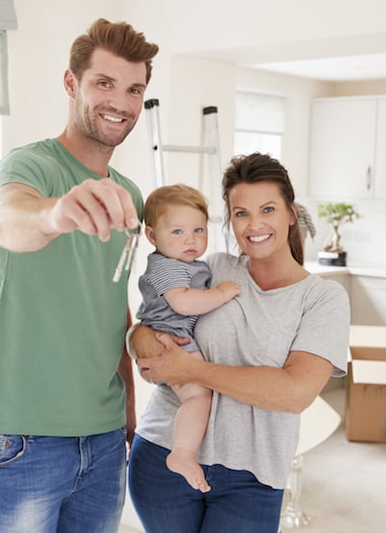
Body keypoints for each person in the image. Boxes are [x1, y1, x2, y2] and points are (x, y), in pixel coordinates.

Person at [0, 18, 158, 533]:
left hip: (103, 436)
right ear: (72, 84)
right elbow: (7, 218)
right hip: (19, 438)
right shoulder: (27, 168)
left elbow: (110, 302)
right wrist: (57, 214)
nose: (120, 101)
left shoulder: (129, 195)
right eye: (104, 83)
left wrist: (128, 408)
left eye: (134, 88)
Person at [127, 153, 350, 533]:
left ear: (291, 213)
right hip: (165, 455)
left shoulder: (321, 299)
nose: (255, 224)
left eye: (268, 209)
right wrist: (142, 340)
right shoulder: (210, 268)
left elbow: (293, 394)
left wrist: (190, 369)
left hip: (253, 475)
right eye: (241, 212)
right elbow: (146, 326)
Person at [133, 183, 241, 493]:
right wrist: (220, 294)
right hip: (169, 339)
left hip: (176, 337)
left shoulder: (187, 264)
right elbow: (183, 303)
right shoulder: (167, 266)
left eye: (198, 230)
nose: (190, 239)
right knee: (198, 397)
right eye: (178, 232)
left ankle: (184, 452)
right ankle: (182, 453)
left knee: (199, 395)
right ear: (152, 236)